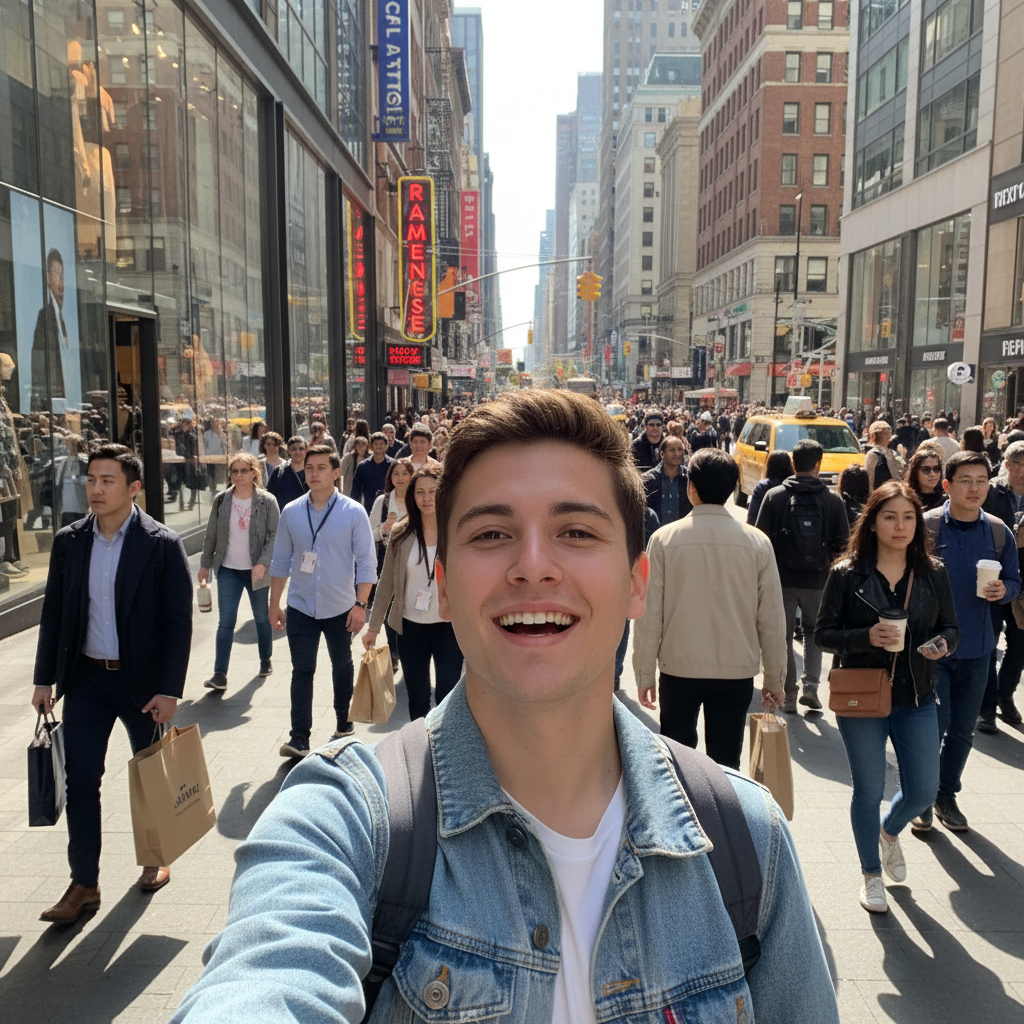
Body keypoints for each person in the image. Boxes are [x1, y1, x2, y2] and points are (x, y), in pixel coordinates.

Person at [172, 389, 838, 1024]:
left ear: (638, 583)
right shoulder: (342, 823)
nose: (533, 566)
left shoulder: (751, 840)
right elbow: (266, 978)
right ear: (447, 582)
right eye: (491, 536)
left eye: (576, 531)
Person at [31, 443, 193, 922]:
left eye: (108, 481)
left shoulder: (161, 544)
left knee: (151, 778)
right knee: (81, 781)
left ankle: (155, 857)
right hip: (86, 681)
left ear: (134, 487)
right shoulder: (70, 540)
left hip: (142, 687)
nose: (96, 489)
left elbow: (177, 622)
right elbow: (55, 613)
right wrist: (45, 679)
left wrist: (168, 690)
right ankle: (84, 882)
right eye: (92, 480)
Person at [815, 481, 959, 913]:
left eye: (909, 517)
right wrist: (867, 636)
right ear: (873, 523)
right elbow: (822, 634)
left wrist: (943, 645)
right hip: (863, 697)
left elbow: (950, 627)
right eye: (890, 517)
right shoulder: (847, 574)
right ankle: (870, 875)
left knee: (923, 791)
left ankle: (889, 831)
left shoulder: (933, 572)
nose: (901, 526)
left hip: (917, 696)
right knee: (868, 788)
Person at [635, 447, 786, 768]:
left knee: (678, 762)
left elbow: (650, 614)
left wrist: (644, 672)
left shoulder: (663, 540)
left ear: (691, 487)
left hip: (679, 668)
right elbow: (772, 619)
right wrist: (775, 678)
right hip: (736, 670)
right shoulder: (758, 543)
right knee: (727, 760)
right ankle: (720, 817)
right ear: (733, 489)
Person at [921, 451, 1021, 831]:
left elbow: (1015, 581)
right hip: (932, 648)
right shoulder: (927, 526)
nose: (974, 487)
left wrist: (1004, 590)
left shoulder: (998, 532)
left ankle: (946, 795)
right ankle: (923, 795)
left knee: (963, 730)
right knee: (934, 726)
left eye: (981, 479)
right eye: (965, 480)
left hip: (979, 648)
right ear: (947, 486)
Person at [268, 444, 377, 758]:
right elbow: (280, 561)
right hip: (300, 604)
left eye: (321, 468)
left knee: (341, 665)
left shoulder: (353, 512)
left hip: (341, 605)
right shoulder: (291, 511)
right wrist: (274, 604)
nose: (313, 473)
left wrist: (361, 605)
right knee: (302, 670)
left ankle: (344, 722)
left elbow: (367, 563)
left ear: (336, 472)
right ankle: (299, 737)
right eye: (310, 468)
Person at [755, 439, 850, 713]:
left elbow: (761, 540)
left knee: (783, 637)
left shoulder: (775, 496)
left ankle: (790, 691)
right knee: (814, 634)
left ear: (793, 464)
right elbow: (843, 544)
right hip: (820, 582)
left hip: (782, 581)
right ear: (818, 465)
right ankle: (811, 686)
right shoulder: (832, 500)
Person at [363, 466, 463, 719]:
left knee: (447, 696)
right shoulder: (401, 533)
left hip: (448, 625)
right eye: (420, 492)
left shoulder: (457, 531)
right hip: (410, 627)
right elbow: (386, 583)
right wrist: (373, 628)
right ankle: (419, 747)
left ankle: (445, 748)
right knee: (417, 698)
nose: (427, 498)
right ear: (412, 496)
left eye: (433, 491)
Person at [198, 452, 280, 692]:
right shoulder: (222, 500)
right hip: (228, 570)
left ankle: (265, 658)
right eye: (235, 471)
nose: (239, 475)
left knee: (261, 617)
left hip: (257, 569)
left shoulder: (267, 501)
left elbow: (275, 535)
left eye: (244, 471)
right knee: (226, 622)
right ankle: (220, 674)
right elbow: (211, 534)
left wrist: (263, 562)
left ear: (254, 472)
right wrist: (204, 564)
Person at [979, 439, 1024, 730]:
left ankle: (1004, 695)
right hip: (993, 576)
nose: (1022, 472)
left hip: (1022, 582)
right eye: (1018, 465)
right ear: (1007, 466)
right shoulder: (992, 492)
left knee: (1020, 645)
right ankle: (986, 707)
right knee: (988, 642)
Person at [641, 435, 692, 526]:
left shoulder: (690, 478)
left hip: (683, 534)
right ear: (662, 454)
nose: (677, 454)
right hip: (656, 535)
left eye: (680, 449)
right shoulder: (647, 480)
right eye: (672, 450)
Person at [746, 451, 794, 527]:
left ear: (769, 466)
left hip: (766, 533)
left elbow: (752, 518)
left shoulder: (762, 486)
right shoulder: (793, 486)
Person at [350, 432, 393, 513]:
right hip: (368, 507)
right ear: (371, 446)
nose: (379, 446)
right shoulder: (363, 466)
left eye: (381, 444)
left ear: (386, 446)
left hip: (389, 507)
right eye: (376, 444)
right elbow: (356, 491)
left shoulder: (393, 465)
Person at [266, 436, 308, 510]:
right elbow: (270, 498)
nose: (297, 452)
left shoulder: (313, 471)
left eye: (301, 449)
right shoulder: (279, 472)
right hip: (284, 517)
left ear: (306, 450)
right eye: (294, 449)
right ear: (289, 451)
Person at [905, 447, 946, 512]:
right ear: (915, 472)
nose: (932, 474)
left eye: (936, 469)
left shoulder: (946, 501)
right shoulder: (907, 500)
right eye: (926, 470)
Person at [865, 420, 902, 490]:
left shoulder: (892, 452)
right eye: (885, 432)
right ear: (876, 435)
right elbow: (870, 479)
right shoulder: (872, 454)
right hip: (880, 493)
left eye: (889, 432)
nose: (888, 435)